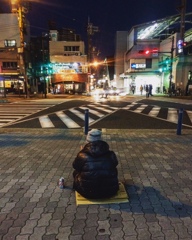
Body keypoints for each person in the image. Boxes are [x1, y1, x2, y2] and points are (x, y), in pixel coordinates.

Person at [72, 129, 119, 199]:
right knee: (111, 169)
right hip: (110, 191)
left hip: (87, 192)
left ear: (87, 141)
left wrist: (81, 152)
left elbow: (75, 166)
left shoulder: (82, 155)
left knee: (75, 172)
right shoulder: (110, 154)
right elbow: (115, 164)